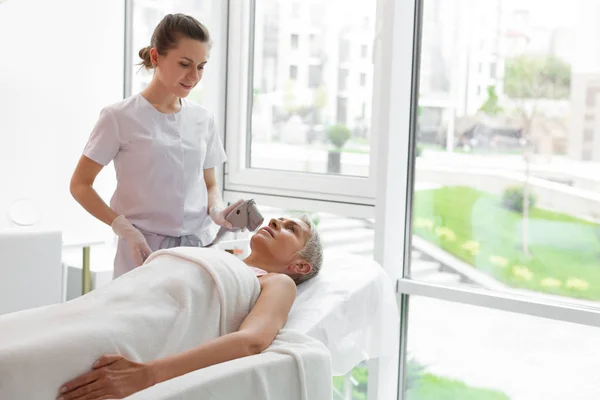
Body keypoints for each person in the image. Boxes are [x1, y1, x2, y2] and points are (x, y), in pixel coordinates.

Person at [56, 215, 323, 400]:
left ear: (300, 266)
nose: (275, 221)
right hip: (98, 309)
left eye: (291, 229)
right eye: (279, 219)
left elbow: (251, 341)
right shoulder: (219, 257)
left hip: (127, 334)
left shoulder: (278, 282)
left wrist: (148, 374)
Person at [70, 13, 243, 278]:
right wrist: (124, 229)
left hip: (198, 250)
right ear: (155, 57)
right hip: (142, 251)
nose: (194, 76)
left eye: (201, 66)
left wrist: (218, 210)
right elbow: (80, 185)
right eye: (184, 64)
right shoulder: (119, 117)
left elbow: (209, 184)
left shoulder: (203, 118)